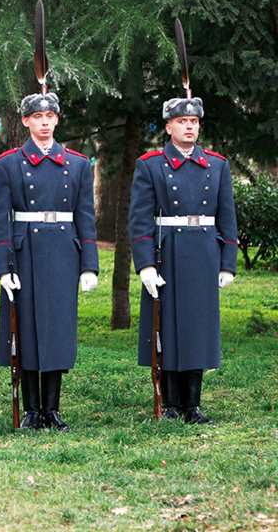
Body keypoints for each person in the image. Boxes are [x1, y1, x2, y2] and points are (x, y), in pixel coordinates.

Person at [0, 93, 99, 431]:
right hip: (25, 254)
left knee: (57, 331)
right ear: (25, 121)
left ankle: (52, 409)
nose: (46, 121)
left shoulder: (78, 164)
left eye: (51, 115)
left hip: (64, 251)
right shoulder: (8, 163)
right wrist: (3, 267)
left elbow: (85, 217)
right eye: (38, 116)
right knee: (25, 330)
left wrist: (89, 265)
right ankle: (31, 410)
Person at [129, 96, 236, 424]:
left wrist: (227, 262)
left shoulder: (217, 165)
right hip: (168, 252)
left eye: (194, 122)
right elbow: (140, 220)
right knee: (169, 328)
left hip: (204, 252)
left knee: (197, 329)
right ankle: (170, 404)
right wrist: (145, 264)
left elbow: (227, 217)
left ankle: (193, 405)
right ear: (169, 126)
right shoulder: (150, 164)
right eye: (182, 122)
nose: (189, 127)